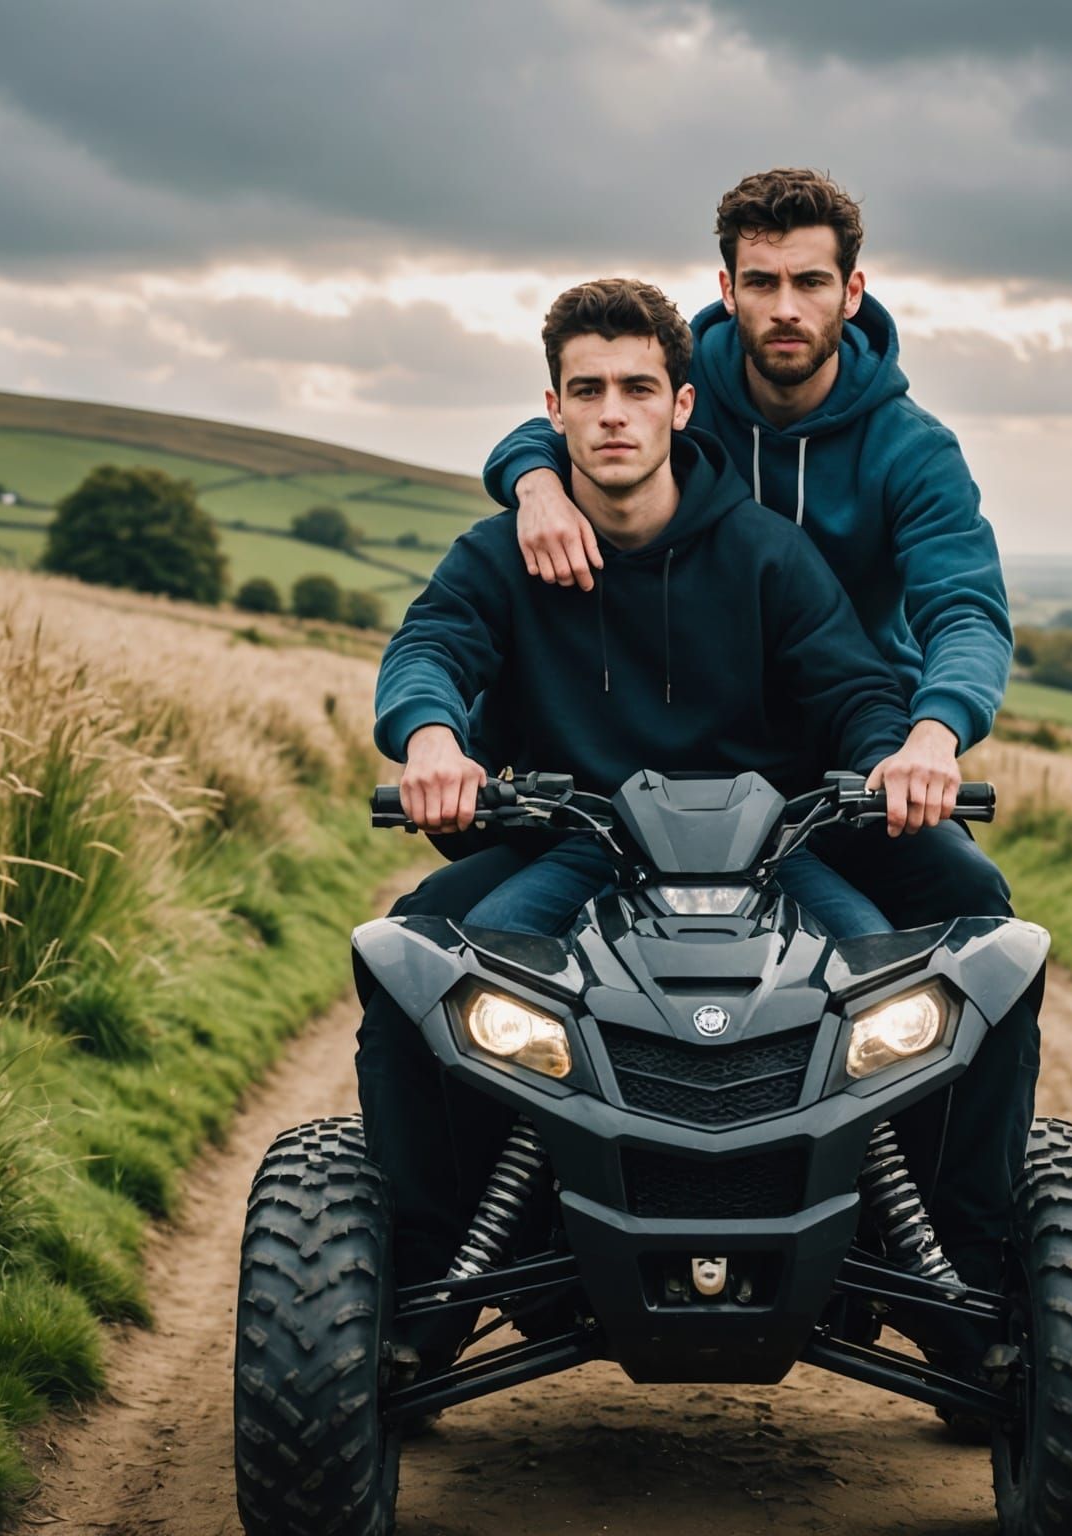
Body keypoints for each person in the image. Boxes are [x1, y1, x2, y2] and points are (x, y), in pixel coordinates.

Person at [361, 278, 965, 1348]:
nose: (612, 413)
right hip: (577, 845)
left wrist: (892, 761)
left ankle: (925, 1279)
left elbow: (855, 691)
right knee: (416, 965)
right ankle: (426, 1287)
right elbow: (432, 649)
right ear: (550, 410)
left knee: (908, 978)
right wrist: (433, 741)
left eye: (638, 388)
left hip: (772, 853)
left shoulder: (769, 555)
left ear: (683, 406)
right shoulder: (503, 553)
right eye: (586, 390)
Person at [478, 169, 1038, 1296]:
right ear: (724, 290)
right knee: (464, 959)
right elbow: (574, 412)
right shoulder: (684, 389)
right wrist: (531, 483)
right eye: (763, 282)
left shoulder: (909, 450)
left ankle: (954, 1257)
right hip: (649, 773)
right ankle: (506, 1230)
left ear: (853, 289)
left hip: (848, 763)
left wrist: (932, 734)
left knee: (976, 938)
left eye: (811, 282)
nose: (786, 307)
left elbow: (964, 607)